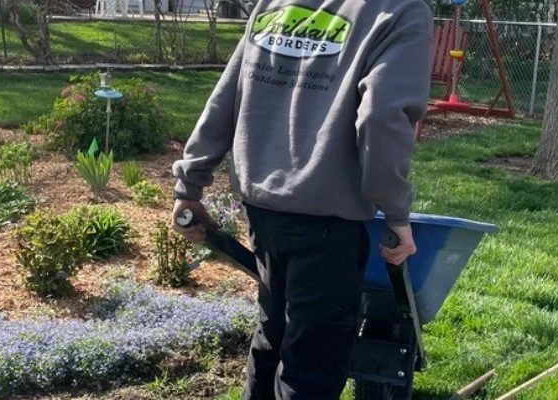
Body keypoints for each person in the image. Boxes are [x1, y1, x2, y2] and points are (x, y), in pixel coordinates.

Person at [171, 0, 433, 398]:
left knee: (272, 339)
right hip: (326, 220)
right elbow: (380, 115)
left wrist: (190, 185)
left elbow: (227, 93)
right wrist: (396, 213)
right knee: (310, 366)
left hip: (264, 209)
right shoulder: (400, 10)